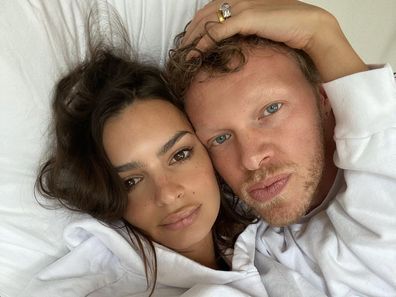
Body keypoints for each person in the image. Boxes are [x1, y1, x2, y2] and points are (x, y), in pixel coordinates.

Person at [23, 22, 328, 295]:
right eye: (131, 181)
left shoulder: (272, 231)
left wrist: (323, 34)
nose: (168, 194)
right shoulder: (96, 287)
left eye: (180, 154)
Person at [166, 0, 396, 296]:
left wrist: (323, 34)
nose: (250, 158)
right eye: (220, 139)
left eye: (271, 109)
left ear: (324, 96)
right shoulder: (241, 245)